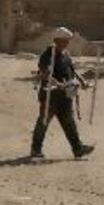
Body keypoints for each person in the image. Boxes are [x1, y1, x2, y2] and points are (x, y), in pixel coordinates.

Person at [30, 27, 95, 159]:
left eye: (67, 41)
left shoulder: (66, 55)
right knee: (44, 121)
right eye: (64, 41)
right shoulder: (48, 55)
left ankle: (78, 149)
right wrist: (56, 83)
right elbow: (44, 73)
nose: (66, 44)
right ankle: (36, 149)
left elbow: (73, 71)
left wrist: (82, 82)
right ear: (56, 41)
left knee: (69, 123)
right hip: (50, 95)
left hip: (65, 95)